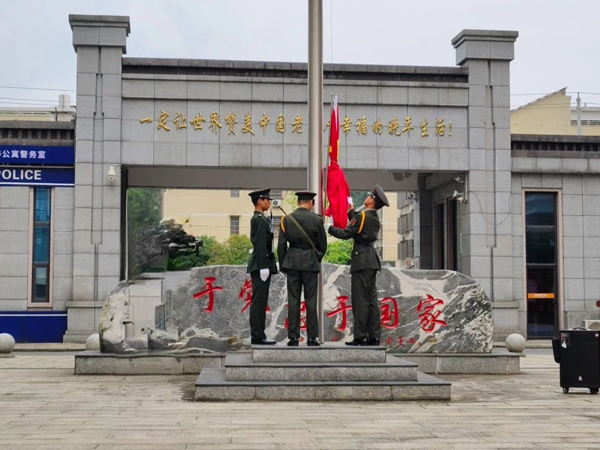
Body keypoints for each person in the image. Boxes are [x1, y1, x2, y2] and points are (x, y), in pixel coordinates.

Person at [326, 185, 389, 346]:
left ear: (372, 201)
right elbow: (360, 228)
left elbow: (346, 233)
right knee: (371, 300)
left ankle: (360, 336)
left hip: (361, 260)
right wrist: (351, 211)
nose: (367, 197)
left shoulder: (362, 216)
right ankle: (374, 336)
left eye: (369, 196)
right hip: (371, 260)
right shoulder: (373, 217)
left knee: (360, 300)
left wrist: (330, 228)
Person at [277, 191, 328, 347]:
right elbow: (323, 245)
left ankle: (293, 338)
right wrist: (315, 259)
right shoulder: (317, 220)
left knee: (293, 300)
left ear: (298, 202)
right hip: (310, 262)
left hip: (292, 261)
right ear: (311, 203)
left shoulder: (286, 219)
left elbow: (281, 245)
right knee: (311, 300)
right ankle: (312, 338)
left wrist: (284, 264)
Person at [247, 188, 278, 345]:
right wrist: (264, 266)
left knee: (260, 300)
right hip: (260, 265)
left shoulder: (261, 218)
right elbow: (259, 244)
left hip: (261, 264)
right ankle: (257, 335)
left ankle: (259, 333)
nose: (269, 202)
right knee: (258, 301)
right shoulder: (259, 220)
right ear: (260, 201)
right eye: (267, 200)